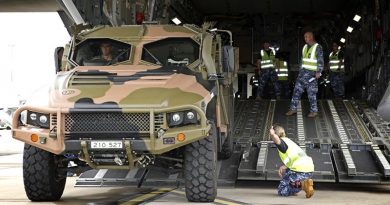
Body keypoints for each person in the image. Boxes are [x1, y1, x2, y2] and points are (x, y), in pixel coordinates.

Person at [269, 124, 315, 198]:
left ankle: (303, 184)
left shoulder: (282, 142)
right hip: (308, 169)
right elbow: (294, 157)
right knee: (287, 174)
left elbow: (276, 139)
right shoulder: (288, 141)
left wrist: (272, 134)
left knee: (282, 191)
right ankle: (295, 188)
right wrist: (285, 166)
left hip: (300, 170)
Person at [286, 31, 324, 117]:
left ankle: (314, 111)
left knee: (311, 92)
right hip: (303, 73)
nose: (305, 38)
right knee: (296, 90)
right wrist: (300, 69)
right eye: (304, 37)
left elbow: (320, 60)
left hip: (312, 74)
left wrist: (319, 71)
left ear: (311, 37)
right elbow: (302, 60)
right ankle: (293, 109)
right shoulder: (305, 47)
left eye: (306, 37)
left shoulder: (317, 47)